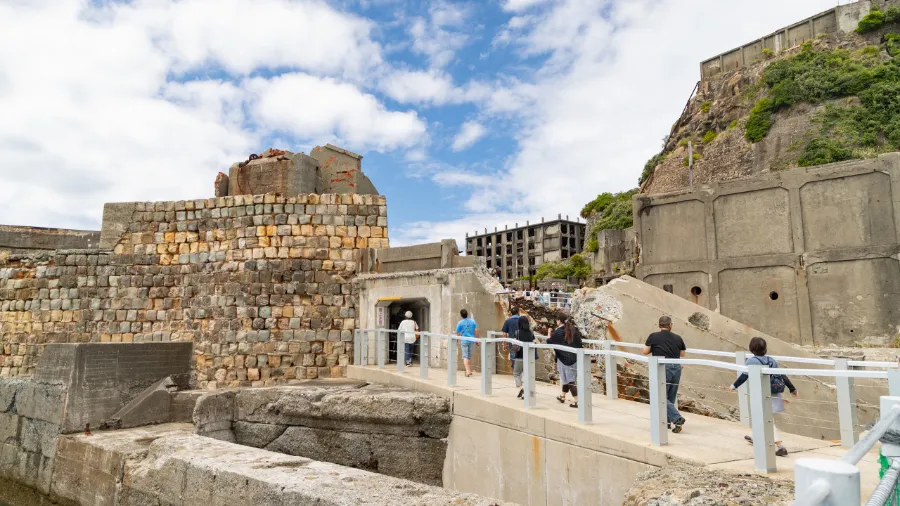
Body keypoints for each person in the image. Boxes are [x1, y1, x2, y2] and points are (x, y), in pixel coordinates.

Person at [729, 337, 798, 457]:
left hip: (761, 393)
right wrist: (792, 389)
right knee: (761, 416)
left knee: (767, 419)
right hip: (774, 392)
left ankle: (779, 445)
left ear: (751, 349)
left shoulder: (751, 361)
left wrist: (734, 386)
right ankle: (756, 437)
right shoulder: (771, 360)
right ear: (765, 348)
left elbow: (744, 376)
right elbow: (782, 375)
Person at [643, 315, 687, 433]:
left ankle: (676, 418)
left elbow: (645, 351)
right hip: (676, 368)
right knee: (670, 397)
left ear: (659, 325)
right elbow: (682, 354)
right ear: (670, 325)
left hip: (663, 368)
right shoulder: (678, 337)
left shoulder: (653, 336)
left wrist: (655, 348)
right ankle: (668, 423)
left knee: (660, 396)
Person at [547, 319, 584, 408]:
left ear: (559, 321)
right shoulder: (574, 330)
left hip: (563, 359)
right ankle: (562, 396)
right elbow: (579, 344)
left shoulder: (558, 332)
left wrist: (549, 332)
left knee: (569, 380)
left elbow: (549, 342)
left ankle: (577, 400)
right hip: (575, 358)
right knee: (567, 378)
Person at [513, 315, 537, 399]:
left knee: (516, 373)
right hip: (529, 357)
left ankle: (522, 389)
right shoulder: (531, 333)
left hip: (519, 356)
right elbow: (534, 343)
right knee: (526, 375)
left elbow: (514, 344)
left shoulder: (517, 332)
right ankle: (525, 391)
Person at [455, 309, 480, 377]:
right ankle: (469, 370)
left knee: (465, 356)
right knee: (469, 356)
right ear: (467, 314)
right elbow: (476, 330)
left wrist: (457, 340)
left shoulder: (460, 322)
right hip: (471, 340)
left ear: (461, 315)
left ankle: (468, 371)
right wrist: (477, 340)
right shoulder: (472, 321)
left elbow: (457, 333)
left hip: (464, 340)